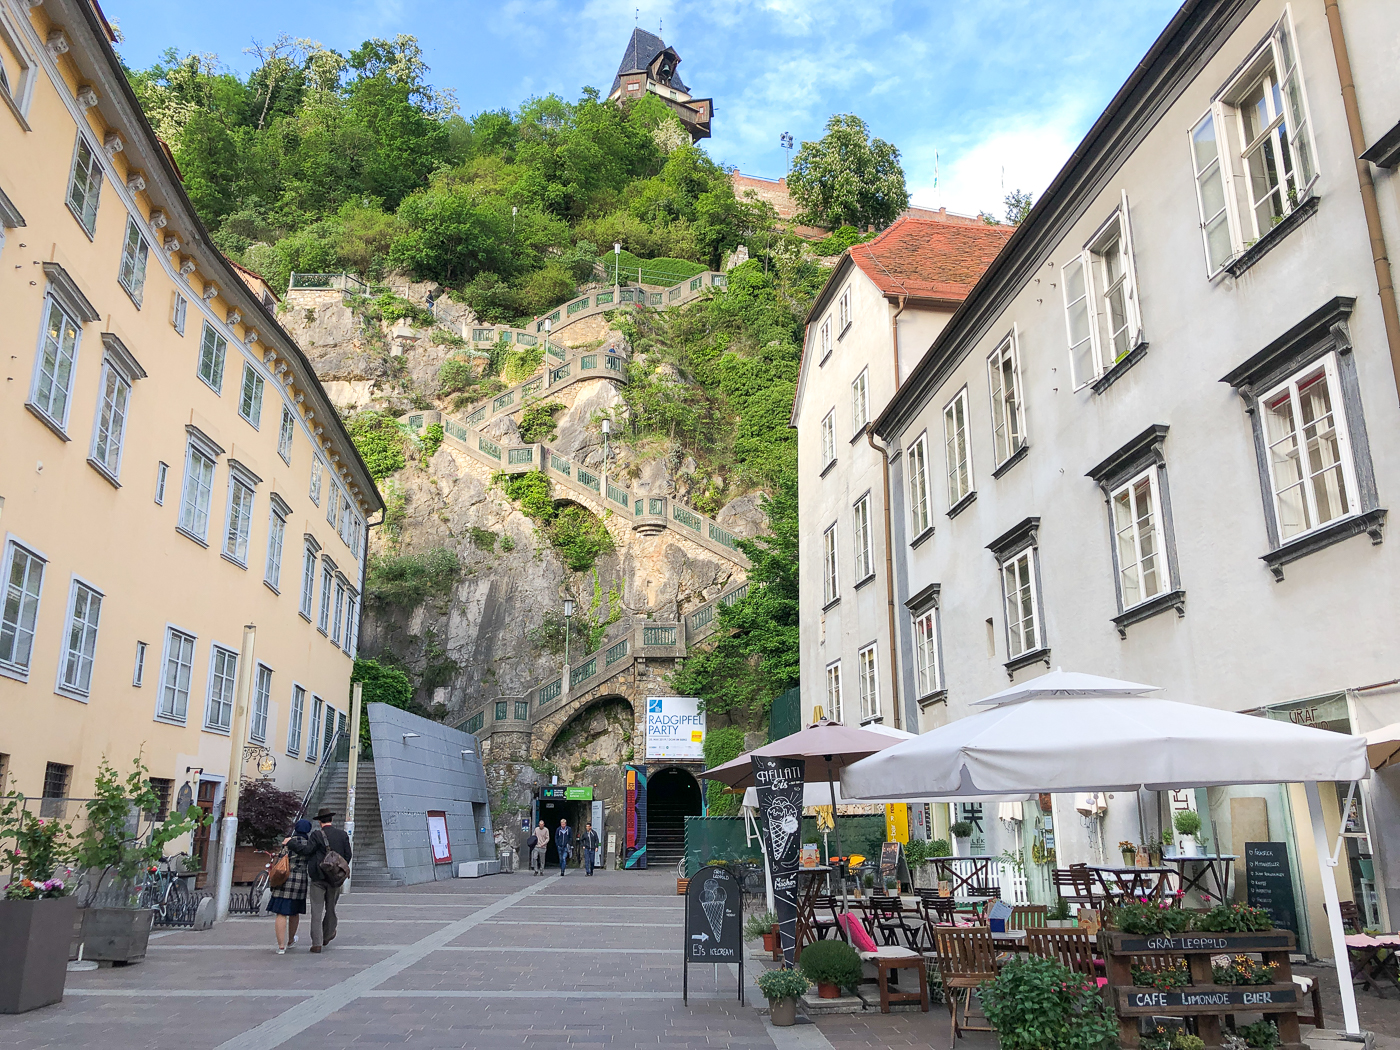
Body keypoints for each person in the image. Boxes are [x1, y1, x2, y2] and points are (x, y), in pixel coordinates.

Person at [306, 807, 352, 954]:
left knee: (316, 910)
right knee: (331, 907)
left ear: (319, 821)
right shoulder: (342, 835)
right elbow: (347, 855)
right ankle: (328, 934)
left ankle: (317, 943)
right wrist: (337, 870)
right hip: (334, 879)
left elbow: (308, 851)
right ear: (331, 820)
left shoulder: (316, 835)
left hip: (318, 878)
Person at [268, 819, 315, 954]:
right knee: (294, 912)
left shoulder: (288, 842)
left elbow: (282, 858)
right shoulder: (309, 844)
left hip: (285, 878)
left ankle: (281, 946)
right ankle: (291, 940)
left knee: (281, 913)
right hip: (300, 880)